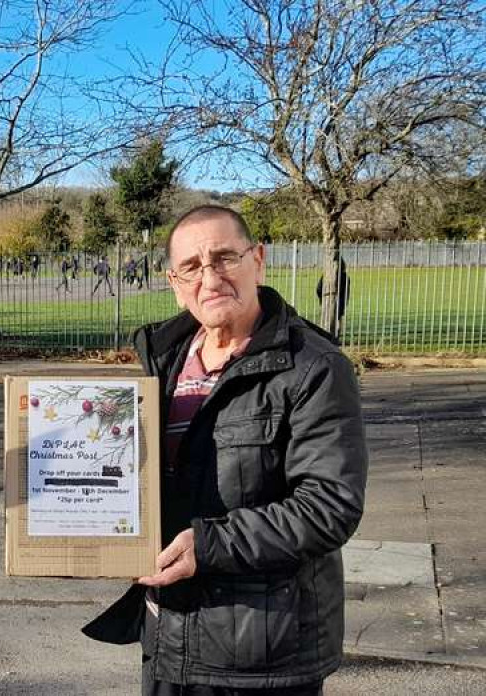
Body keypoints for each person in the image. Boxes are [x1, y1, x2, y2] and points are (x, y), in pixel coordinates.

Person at [83, 205, 367, 695]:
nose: (209, 277)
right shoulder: (164, 360)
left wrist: (208, 544)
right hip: (168, 637)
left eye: (223, 258)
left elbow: (328, 507)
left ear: (257, 259)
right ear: (174, 281)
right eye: (191, 266)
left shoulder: (313, 368)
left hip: (261, 652)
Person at [316, 257, 350, 336]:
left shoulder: (326, 276)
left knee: (325, 320)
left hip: (327, 303)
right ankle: (336, 335)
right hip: (340, 304)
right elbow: (346, 292)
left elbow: (318, 289)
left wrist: (322, 299)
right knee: (338, 320)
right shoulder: (345, 277)